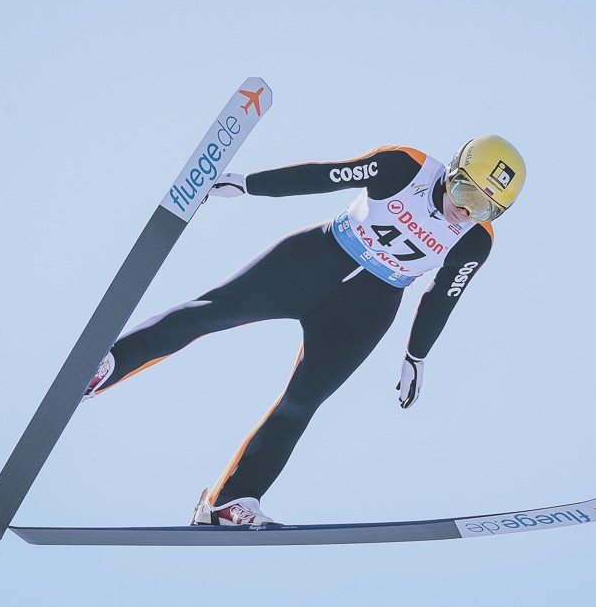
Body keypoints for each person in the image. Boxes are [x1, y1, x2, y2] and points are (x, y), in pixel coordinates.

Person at [84, 135, 526, 526]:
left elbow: (443, 296)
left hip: (366, 309)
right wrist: (248, 184)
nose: (466, 210)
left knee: (301, 404)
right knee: (208, 313)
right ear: (453, 170)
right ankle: (107, 365)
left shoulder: (476, 240)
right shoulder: (404, 167)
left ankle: (230, 502)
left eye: (485, 207)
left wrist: (416, 355)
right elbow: (324, 176)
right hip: (313, 261)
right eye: (466, 191)